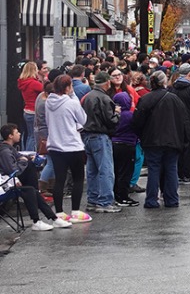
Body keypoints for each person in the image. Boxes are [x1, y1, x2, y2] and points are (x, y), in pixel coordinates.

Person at [131, 71, 189, 209]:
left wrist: (142, 135)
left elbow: (137, 122)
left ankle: (151, 200)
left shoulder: (146, 99)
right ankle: (172, 199)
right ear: (164, 82)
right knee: (171, 169)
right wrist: (184, 140)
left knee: (154, 169)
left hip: (152, 140)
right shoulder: (174, 99)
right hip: (172, 140)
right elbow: (184, 121)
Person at [0, 123, 71, 231]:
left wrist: (27, 158)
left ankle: (51, 218)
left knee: (31, 184)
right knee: (30, 187)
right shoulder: (5, 151)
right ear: (10, 136)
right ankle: (43, 220)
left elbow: (20, 158)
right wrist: (24, 161)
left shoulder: (9, 148)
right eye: (16, 132)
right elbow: (13, 171)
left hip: (10, 181)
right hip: (6, 185)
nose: (19, 134)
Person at [45, 74, 93, 224]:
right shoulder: (71, 103)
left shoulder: (48, 102)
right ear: (67, 88)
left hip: (55, 145)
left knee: (60, 179)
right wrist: (74, 97)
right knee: (78, 178)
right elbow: (83, 119)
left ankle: (59, 213)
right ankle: (75, 211)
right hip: (72, 145)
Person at [80, 70, 121, 214]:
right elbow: (110, 121)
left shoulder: (88, 97)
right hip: (100, 135)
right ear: (108, 83)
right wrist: (117, 114)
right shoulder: (104, 98)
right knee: (105, 169)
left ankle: (93, 200)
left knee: (92, 170)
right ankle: (105, 201)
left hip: (87, 135)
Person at [172, 63, 190, 184]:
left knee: (180, 148)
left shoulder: (173, 88)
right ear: (189, 74)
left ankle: (179, 173)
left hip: (177, 122)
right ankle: (187, 173)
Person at [111, 91, 139, 207]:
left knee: (116, 171)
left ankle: (115, 195)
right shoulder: (130, 116)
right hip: (127, 145)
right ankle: (123, 197)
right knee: (126, 172)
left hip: (114, 144)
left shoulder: (114, 114)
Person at [17, 62, 43, 152]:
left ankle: (26, 153)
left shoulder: (23, 82)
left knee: (29, 135)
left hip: (27, 110)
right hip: (34, 111)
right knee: (34, 136)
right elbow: (45, 90)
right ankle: (30, 155)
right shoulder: (34, 83)